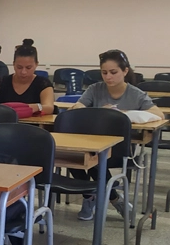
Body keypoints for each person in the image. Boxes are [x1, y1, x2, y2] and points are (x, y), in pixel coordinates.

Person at [68, 49, 162, 221]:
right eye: (104, 73)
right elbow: (77, 107)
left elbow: (159, 115)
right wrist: (95, 111)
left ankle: (96, 196)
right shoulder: (95, 89)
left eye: (113, 72)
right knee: (72, 157)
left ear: (125, 71)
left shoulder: (135, 94)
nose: (108, 77)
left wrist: (121, 113)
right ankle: (99, 196)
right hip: (93, 144)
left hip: (120, 150)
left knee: (96, 159)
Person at [0, 41, 55, 115]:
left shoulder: (43, 84)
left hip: (33, 128)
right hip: (5, 127)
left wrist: (29, 108)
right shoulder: (2, 82)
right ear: (13, 64)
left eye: (28, 68)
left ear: (36, 65)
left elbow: (49, 107)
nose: (23, 72)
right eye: (19, 67)